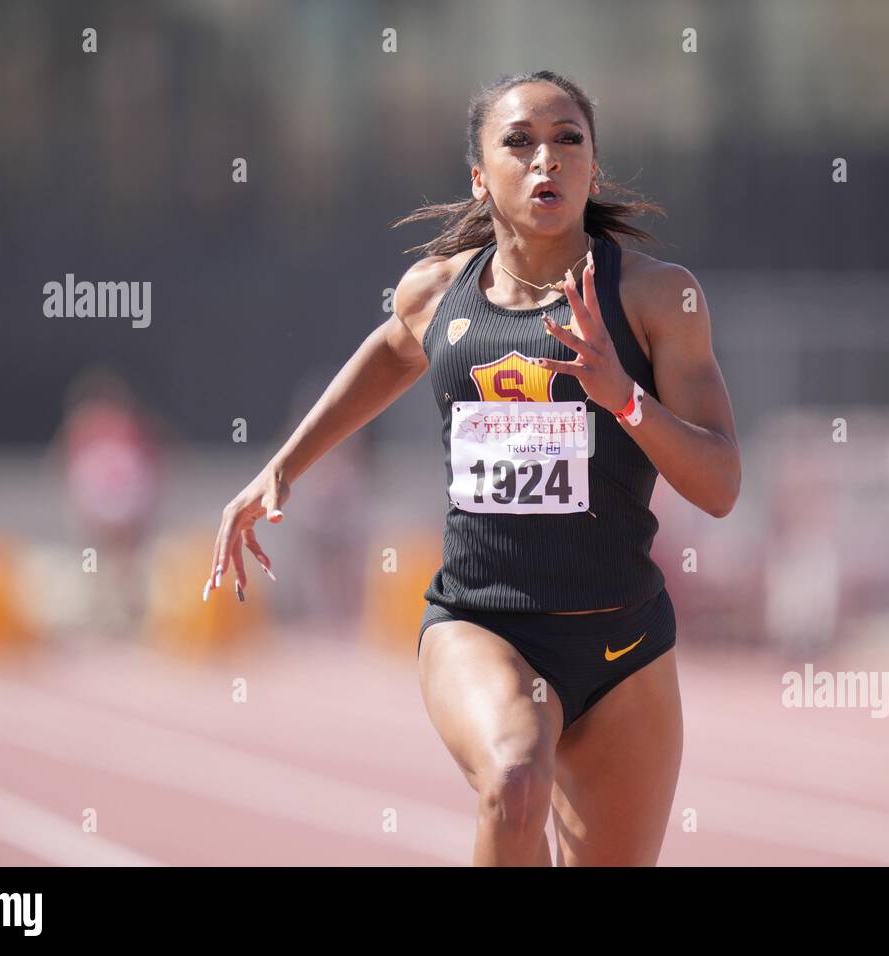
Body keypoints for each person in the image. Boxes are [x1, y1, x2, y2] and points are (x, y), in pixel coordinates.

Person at [203, 70, 740, 866]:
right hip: (482, 625)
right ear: (481, 177)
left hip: (624, 646)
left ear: (594, 168)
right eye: (519, 143)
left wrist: (623, 399)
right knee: (516, 777)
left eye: (568, 141)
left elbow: (720, 485)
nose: (545, 161)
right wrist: (280, 470)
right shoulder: (436, 294)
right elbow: (388, 355)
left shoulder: (658, 300)